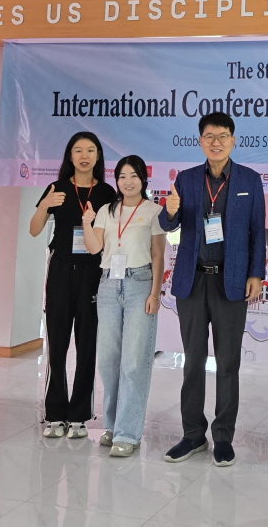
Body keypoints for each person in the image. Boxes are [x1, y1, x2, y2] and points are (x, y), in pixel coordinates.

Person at [160, 112, 266, 467]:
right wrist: (169, 212)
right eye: (209, 136)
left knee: (227, 363)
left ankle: (223, 437)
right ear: (200, 141)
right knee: (192, 362)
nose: (216, 142)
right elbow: (169, 224)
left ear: (233, 140)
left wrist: (256, 274)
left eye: (222, 136)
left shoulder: (249, 179)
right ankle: (193, 435)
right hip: (192, 282)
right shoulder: (187, 179)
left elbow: (257, 231)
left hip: (230, 282)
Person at [29, 131, 115, 439]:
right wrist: (44, 205)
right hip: (61, 270)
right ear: (70, 156)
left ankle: (79, 415)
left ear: (98, 156)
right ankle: (55, 414)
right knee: (57, 342)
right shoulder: (57, 188)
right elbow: (34, 230)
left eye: (90, 150)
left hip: (93, 271)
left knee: (87, 343)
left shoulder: (106, 192)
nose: (84, 156)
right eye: (78, 150)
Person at [83, 154, 166, 457]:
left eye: (133, 176)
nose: (127, 182)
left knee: (134, 360)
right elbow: (95, 247)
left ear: (143, 179)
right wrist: (87, 222)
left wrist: (155, 293)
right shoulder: (107, 210)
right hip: (108, 284)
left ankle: (128, 433)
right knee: (108, 358)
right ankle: (112, 425)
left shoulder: (154, 211)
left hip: (139, 283)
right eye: (122, 176)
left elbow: (158, 255)